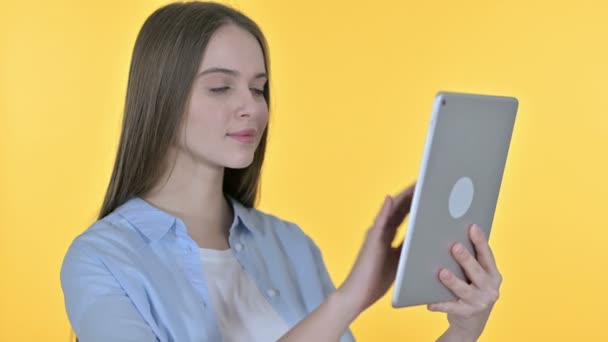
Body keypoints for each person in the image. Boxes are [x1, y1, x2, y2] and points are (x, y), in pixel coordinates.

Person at [60, 2, 503, 341]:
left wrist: (464, 329)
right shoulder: (101, 261)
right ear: (160, 100)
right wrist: (348, 300)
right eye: (220, 87)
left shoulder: (290, 245)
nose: (250, 107)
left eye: (259, 88)